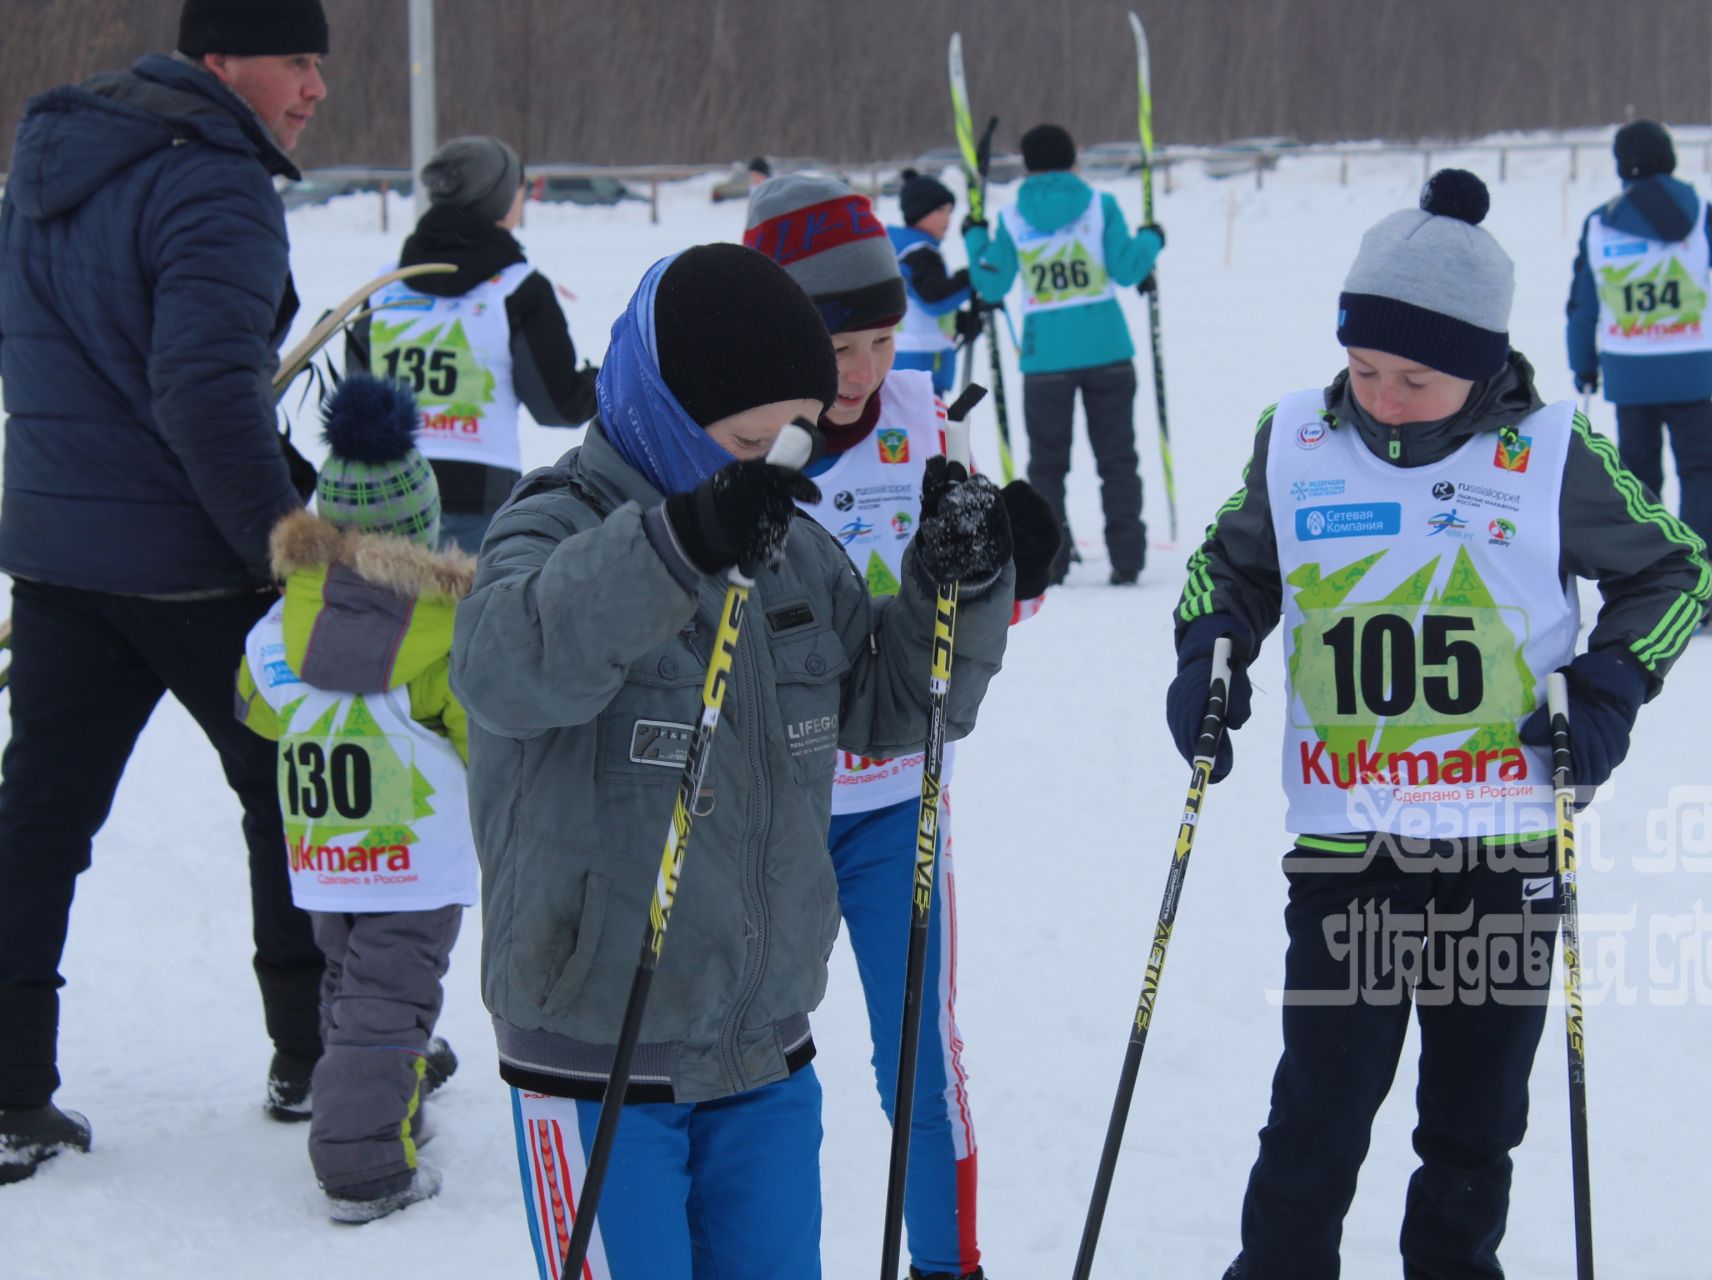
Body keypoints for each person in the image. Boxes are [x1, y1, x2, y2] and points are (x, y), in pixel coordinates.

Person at [1167, 171, 1712, 1278]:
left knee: (1472, 1117)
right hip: (1346, 835)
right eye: (1366, 368)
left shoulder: (1551, 453)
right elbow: (1229, 569)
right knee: (1320, 1104)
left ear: (1480, 365)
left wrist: (1606, 697)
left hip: (1504, 836)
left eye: (1416, 376)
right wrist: (1207, 659)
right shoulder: (1299, 442)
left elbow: (1674, 569)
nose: (1384, 396)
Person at [450, 243, 1018, 1279]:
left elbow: (894, 708)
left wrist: (958, 584)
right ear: (667, 405)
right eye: (750, 440)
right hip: (597, 1053)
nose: (773, 463)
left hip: (762, 1043)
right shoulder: (553, 520)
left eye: (790, 438)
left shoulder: (795, 552)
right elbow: (507, 668)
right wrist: (679, 543)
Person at [0, 0, 333, 1184]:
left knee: (37, 826)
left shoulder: (48, 165)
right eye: (296, 58)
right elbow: (203, 391)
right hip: (194, 565)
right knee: (299, 788)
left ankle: (5, 1091)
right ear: (220, 59)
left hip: (56, 558)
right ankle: (319, 1053)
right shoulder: (215, 183)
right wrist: (281, 537)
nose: (314, 87)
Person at [745, 175, 1059, 1280]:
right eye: (838, 348)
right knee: (747, 1063)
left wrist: (1024, 560)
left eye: (880, 341)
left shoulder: (927, 421)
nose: (863, 373)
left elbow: (984, 614)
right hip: (758, 813)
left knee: (919, 1061)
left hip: (890, 808)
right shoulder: (720, 437)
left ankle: (948, 1260)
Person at [236, 374, 472, 1222]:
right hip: (414, 860)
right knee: (391, 998)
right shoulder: (443, 635)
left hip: (325, 853)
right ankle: (364, 1163)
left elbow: (254, 709)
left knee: (352, 988)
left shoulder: (277, 630)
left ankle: (389, 1115)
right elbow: (481, 734)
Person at [1565, 119, 1712, 626]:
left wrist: (1583, 364)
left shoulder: (1599, 224)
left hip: (1630, 374)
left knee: (1638, 481)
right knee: (1702, 472)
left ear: (1623, 167)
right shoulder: (1696, 213)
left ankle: (1648, 584)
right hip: (1688, 370)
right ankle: (1703, 580)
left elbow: (1583, 303)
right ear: (1669, 159)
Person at [347, 135, 598, 554]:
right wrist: (604, 382)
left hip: (386, 495)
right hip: (479, 497)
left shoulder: (382, 287)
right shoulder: (519, 289)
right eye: (520, 188)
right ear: (500, 199)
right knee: (467, 619)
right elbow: (558, 406)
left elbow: (354, 398)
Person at [963, 122, 1165, 586]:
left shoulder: (1013, 218)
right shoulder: (1100, 205)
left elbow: (990, 281)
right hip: (1109, 351)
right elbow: (1129, 267)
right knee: (1117, 459)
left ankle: (1052, 561)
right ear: (1074, 161)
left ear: (1028, 167)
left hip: (1045, 362)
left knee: (1048, 465)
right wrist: (1152, 238)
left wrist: (975, 236)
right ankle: (1127, 557)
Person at [888, 169, 975, 397]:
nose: (948, 218)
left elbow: (915, 302)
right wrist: (971, 278)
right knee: (924, 430)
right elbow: (935, 298)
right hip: (920, 362)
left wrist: (958, 322)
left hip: (906, 359)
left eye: (950, 211)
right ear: (919, 211)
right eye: (940, 210)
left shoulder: (902, 248)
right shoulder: (919, 252)